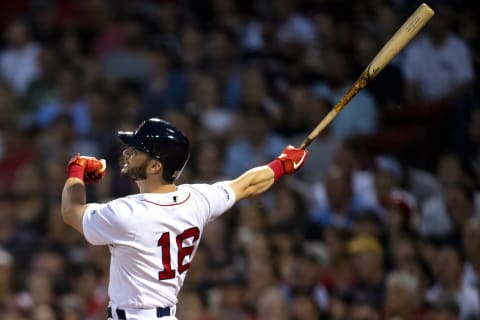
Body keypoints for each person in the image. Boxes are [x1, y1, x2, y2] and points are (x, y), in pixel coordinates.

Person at [60, 117, 309, 320]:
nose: (128, 153)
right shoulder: (197, 199)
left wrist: (76, 169)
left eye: (137, 151)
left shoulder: (127, 213)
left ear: (156, 166)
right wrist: (280, 166)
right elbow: (245, 185)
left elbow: (71, 212)